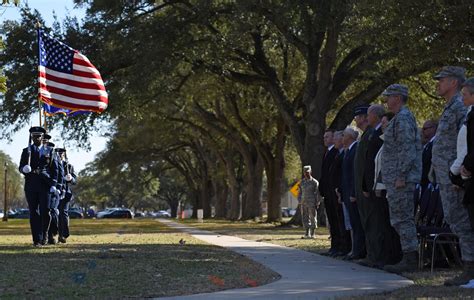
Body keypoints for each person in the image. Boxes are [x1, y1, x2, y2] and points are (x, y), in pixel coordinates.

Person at [429, 67, 474, 286]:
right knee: (456, 221)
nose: (437, 84)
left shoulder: (459, 106)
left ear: (454, 82)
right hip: (447, 175)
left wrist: (458, 178)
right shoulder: (451, 106)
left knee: (461, 221)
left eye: (441, 80)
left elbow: (465, 143)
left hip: (456, 176)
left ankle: (470, 267)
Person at [381, 83, 422, 274]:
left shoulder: (403, 118)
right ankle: (407, 256)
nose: (387, 101)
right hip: (395, 178)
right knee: (398, 218)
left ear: (397, 98)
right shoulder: (398, 119)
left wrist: (401, 175)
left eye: (389, 97)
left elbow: (407, 149)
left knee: (403, 219)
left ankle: (410, 260)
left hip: (401, 179)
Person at [19, 126, 48, 247]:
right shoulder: (26, 151)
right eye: (34, 136)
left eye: (38, 136)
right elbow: (20, 167)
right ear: (31, 137)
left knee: (45, 211)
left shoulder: (49, 151)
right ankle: (37, 239)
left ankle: (45, 235)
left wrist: (54, 184)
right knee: (34, 213)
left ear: (42, 137)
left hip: (45, 185)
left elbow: (54, 169)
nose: (36, 138)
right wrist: (24, 169)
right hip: (31, 185)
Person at [340, 127, 365, 260]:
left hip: (352, 193)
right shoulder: (348, 151)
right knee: (352, 224)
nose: (342, 138)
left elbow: (355, 174)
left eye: (343, 135)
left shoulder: (355, 150)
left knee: (356, 223)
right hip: (346, 192)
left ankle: (358, 251)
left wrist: (353, 193)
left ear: (350, 137)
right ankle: (354, 249)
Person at [329, 131, 352, 257]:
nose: (335, 141)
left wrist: (339, 190)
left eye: (336, 138)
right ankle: (341, 246)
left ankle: (346, 247)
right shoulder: (339, 154)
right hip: (337, 192)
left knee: (346, 222)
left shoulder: (345, 154)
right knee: (339, 221)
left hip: (343, 192)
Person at [319, 130, 341, 255]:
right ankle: (334, 246)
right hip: (327, 193)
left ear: (333, 138)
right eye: (324, 137)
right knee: (332, 220)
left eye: (327, 137)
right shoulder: (326, 153)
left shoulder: (335, 152)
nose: (324, 139)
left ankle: (339, 246)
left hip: (333, 192)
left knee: (336, 220)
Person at [56, 148, 77, 243]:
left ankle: (63, 235)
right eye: (58, 153)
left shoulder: (69, 166)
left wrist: (71, 178)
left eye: (62, 153)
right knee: (55, 215)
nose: (60, 155)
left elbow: (74, 181)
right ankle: (52, 234)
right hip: (54, 192)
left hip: (65, 193)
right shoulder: (52, 164)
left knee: (63, 214)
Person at [298, 165, 320, 239]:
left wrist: (318, 202)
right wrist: (299, 200)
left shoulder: (314, 182)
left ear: (310, 172)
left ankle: (313, 233)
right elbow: (299, 192)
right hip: (303, 202)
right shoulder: (302, 182)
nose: (306, 174)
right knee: (305, 217)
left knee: (313, 217)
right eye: (305, 172)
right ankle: (307, 233)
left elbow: (317, 193)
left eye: (308, 172)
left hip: (312, 202)